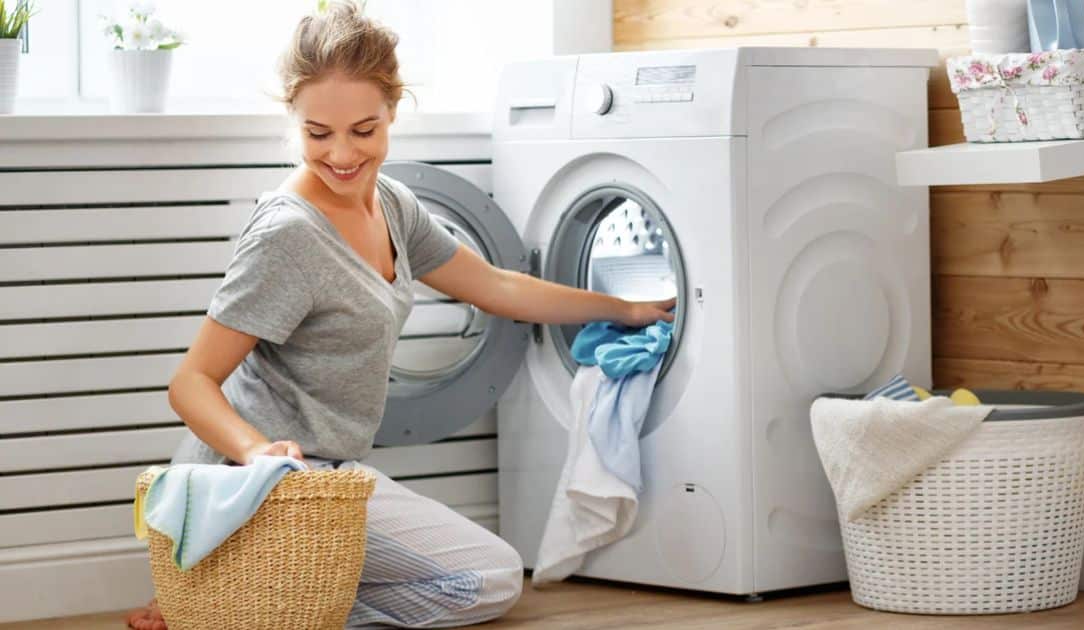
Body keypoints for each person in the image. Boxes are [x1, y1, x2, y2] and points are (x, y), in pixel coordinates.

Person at [125, 3, 674, 629]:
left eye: (363, 130)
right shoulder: (287, 235)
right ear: (293, 122)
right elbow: (190, 382)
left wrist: (625, 307)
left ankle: (245, 609)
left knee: (487, 577)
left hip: (333, 479)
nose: (340, 154)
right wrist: (258, 453)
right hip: (258, 484)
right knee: (492, 581)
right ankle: (238, 602)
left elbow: (495, 286)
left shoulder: (391, 203)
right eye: (317, 133)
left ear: (393, 110)